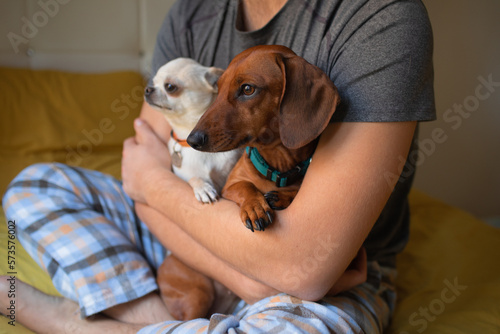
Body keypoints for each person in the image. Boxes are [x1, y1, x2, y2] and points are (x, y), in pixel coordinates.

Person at [1, 0, 435, 333]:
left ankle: (73, 323)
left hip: (333, 275)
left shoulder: (380, 18)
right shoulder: (196, 12)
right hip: (186, 234)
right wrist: (252, 281)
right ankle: (148, 320)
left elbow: (303, 269)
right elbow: (142, 165)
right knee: (36, 184)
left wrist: (152, 184)